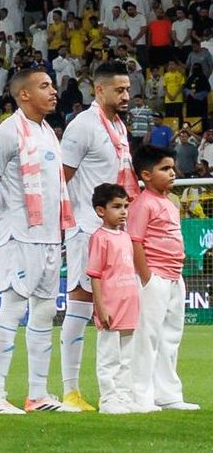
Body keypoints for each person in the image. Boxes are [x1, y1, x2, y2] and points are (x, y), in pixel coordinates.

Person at [0, 65, 71, 414]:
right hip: (18, 234)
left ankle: (37, 394)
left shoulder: (47, 132)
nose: (53, 91)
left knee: (44, 312)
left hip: (48, 235)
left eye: (52, 85)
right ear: (24, 94)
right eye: (45, 86)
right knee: (12, 310)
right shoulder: (6, 133)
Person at [54, 63, 136, 415]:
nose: (126, 96)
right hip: (86, 229)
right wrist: (66, 224)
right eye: (119, 90)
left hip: (113, 231)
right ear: (98, 90)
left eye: (128, 89)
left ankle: (119, 389)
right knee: (81, 302)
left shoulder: (117, 126)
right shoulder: (83, 127)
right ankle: (70, 389)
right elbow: (62, 178)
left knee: (109, 307)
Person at [132, 137, 191, 413]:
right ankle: (141, 395)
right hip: (154, 277)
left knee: (170, 336)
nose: (172, 173)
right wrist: (146, 278)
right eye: (165, 169)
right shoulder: (144, 203)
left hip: (174, 276)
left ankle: (168, 394)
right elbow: (135, 241)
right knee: (147, 337)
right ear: (146, 175)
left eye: (173, 168)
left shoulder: (170, 202)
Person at [92, 161, 156, 415]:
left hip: (130, 304)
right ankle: (108, 398)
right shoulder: (100, 238)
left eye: (126, 206)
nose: (123, 212)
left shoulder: (125, 237)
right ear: (100, 210)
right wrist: (101, 306)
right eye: (116, 207)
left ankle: (124, 395)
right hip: (111, 307)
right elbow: (95, 276)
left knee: (126, 357)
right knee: (109, 356)